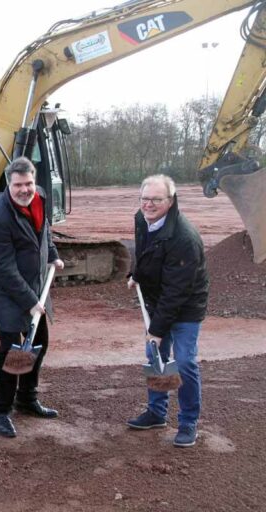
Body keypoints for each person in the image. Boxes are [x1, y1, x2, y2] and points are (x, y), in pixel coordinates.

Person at [0, 157, 65, 438]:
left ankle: (27, 399)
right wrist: (30, 301)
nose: (25, 189)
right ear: (9, 183)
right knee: (12, 350)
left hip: (35, 285)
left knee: (40, 343)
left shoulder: (39, 198)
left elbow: (45, 233)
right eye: (18, 185)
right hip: (8, 293)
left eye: (29, 183)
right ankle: (1, 411)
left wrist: (52, 254)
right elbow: (4, 270)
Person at [126, 174, 209, 448]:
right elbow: (145, 251)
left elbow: (176, 293)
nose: (149, 205)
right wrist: (136, 273)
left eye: (156, 200)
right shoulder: (141, 219)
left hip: (184, 305)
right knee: (155, 356)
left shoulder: (184, 237)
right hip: (156, 299)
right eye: (145, 199)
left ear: (170, 201)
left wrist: (157, 330)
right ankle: (156, 413)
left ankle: (188, 423)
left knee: (184, 362)